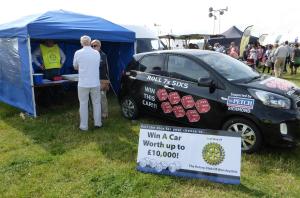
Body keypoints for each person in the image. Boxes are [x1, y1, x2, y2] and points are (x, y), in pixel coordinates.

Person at [73, 35, 101, 131]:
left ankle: (84, 126)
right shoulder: (96, 53)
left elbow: (75, 66)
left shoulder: (78, 53)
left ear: (81, 43)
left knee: (83, 104)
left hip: (83, 83)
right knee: (96, 103)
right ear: (89, 42)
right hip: (95, 82)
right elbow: (98, 65)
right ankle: (98, 123)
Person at [91, 39, 110, 119]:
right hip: (94, 79)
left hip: (102, 79)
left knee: (102, 97)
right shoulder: (92, 55)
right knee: (94, 97)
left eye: (95, 46)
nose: (93, 47)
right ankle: (96, 113)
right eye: (91, 46)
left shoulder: (102, 55)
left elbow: (97, 65)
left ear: (99, 46)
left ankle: (104, 113)